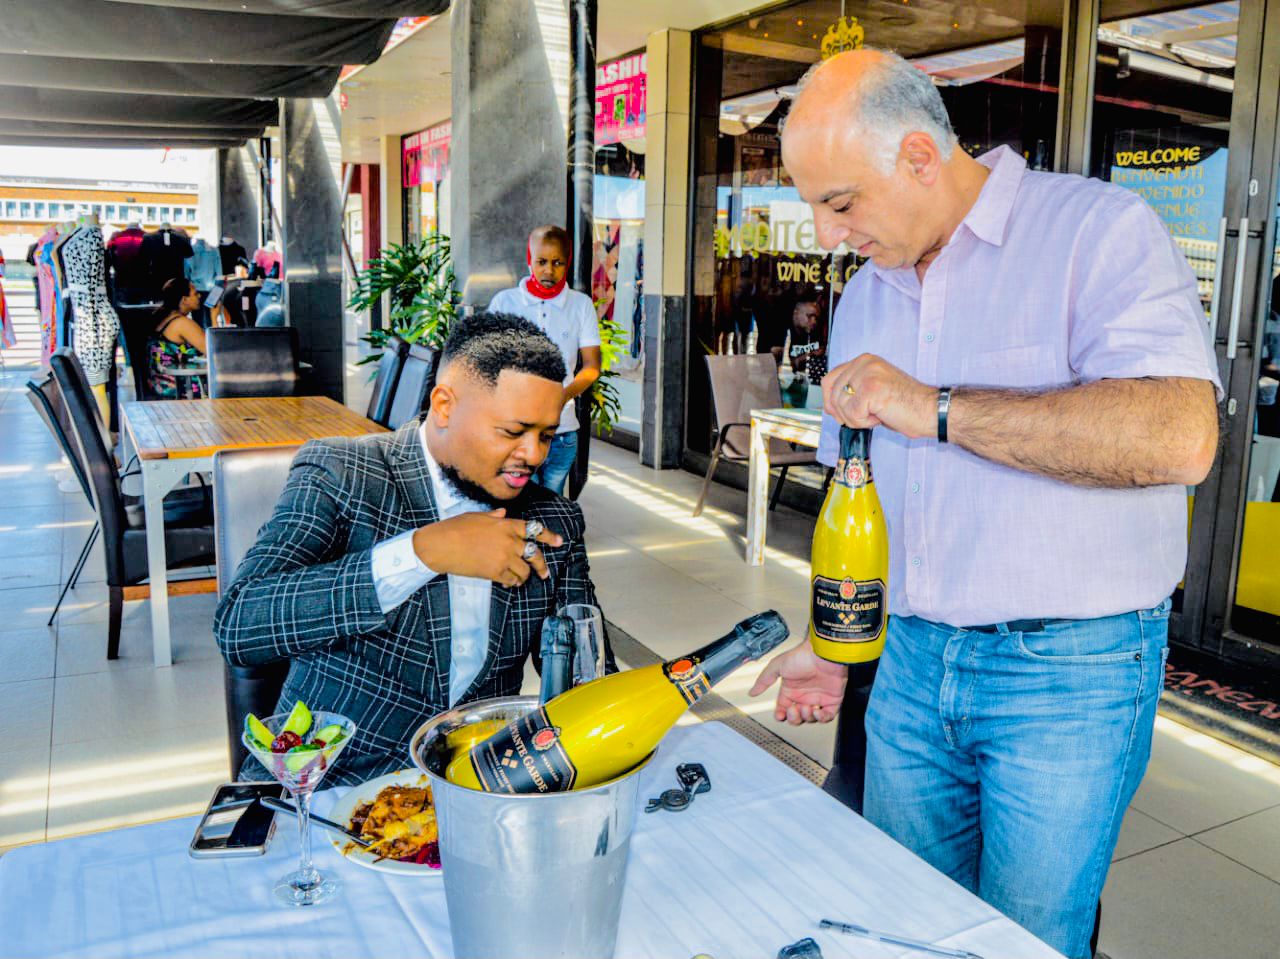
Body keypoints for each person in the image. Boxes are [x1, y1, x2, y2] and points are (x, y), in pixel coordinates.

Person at [748, 50, 1220, 959]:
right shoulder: (866, 295)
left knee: (1025, 940)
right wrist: (839, 640)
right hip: (910, 662)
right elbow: (861, 499)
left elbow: (1178, 438)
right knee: (903, 922)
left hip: (1067, 672)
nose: (826, 233)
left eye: (840, 202)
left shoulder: (1095, 232)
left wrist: (934, 407)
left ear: (920, 156)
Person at [214, 313, 609, 785]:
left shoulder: (552, 521)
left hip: (478, 788)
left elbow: (587, 680)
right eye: (512, 432)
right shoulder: (344, 473)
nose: (534, 455)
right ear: (444, 405)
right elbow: (240, 625)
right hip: (328, 784)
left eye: (545, 435)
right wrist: (424, 552)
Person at [489, 226, 602, 495]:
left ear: (568, 263)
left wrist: (562, 396)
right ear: (529, 259)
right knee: (518, 504)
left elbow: (592, 366)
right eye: (541, 262)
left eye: (557, 263)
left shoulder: (580, 305)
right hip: (515, 432)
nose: (549, 271)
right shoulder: (505, 302)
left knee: (550, 505)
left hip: (561, 433)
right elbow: (486, 360)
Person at [147, 278, 207, 400]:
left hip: (161, 385)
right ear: (184, 300)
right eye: (195, 294)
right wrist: (214, 316)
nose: (199, 296)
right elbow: (213, 351)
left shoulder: (164, 318)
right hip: (183, 388)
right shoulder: (182, 323)